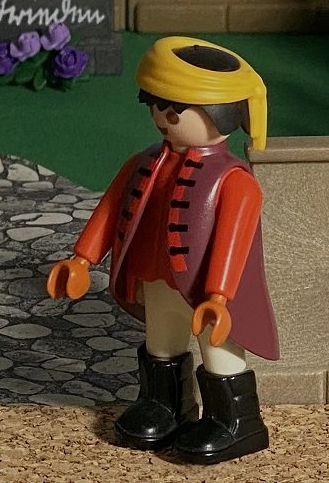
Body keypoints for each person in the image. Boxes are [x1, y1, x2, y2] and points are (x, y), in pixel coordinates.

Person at [47, 36, 279, 464]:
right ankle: (166, 406)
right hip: (155, 279)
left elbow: (233, 242)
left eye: (177, 111)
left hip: (207, 295)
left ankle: (236, 422)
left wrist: (219, 295)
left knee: (219, 355)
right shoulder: (143, 162)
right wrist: (81, 259)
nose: (164, 118)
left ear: (224, 114)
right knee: (161, 343)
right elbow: (110, 210)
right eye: (157, 106)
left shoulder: (235, 181)